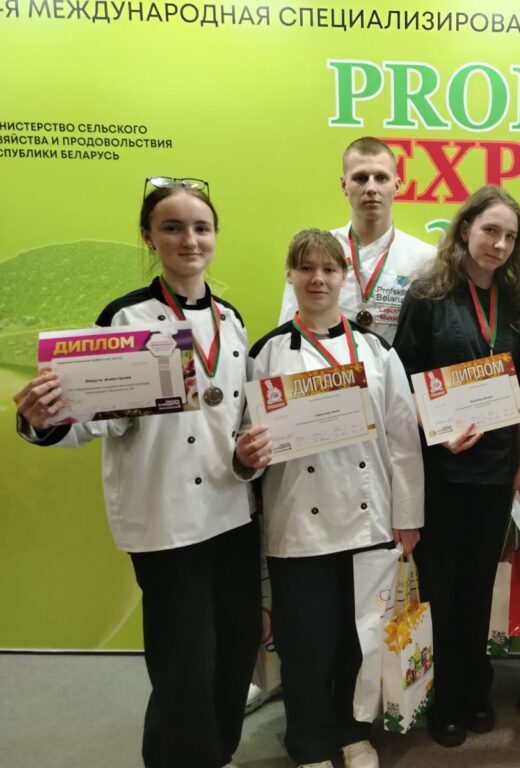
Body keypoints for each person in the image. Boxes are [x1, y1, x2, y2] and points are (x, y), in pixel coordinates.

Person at [13, 177, 260, 768]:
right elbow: (90, 420)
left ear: (215, 236)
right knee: (183, 664)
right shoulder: (124, 317)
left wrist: (248, 455)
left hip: (232, 513)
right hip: (165, 520)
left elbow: (234, 421)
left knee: (236, 648)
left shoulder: (232, 319)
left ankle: (217, 753)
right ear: (148, 236)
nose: (189, 239)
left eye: (200, 228)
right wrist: (43, 419)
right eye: (172, 227)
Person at [235, 229, 424, 768]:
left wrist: (408, 517)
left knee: (360, 638)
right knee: (305, 643)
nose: (317, 279)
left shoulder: (377, 350)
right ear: (290, 275)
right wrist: (249, 452)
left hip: (371, 520)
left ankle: (353, 732)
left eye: (329, 269)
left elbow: (403, 441)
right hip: (298, 522)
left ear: (344, 278)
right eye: (306, 268)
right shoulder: (267, 353)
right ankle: (309, 742)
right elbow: (248, 440)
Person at [392, 185, 520, 748]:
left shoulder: (516, 303)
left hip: (494, 474)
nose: (499, 244)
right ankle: (445, 700)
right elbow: (403, 383)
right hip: (441, 473)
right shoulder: (428, 296)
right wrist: (437, 434)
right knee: (442, 591)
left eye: (510, 236)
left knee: (478, 588)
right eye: (490, 231)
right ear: (465, 228)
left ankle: (476, 689)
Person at [277, 136, 435, 343]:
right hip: (325, 362)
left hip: (397, 364)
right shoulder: (315, 253)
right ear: (344, 185)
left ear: (397, 186)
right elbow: (288, 331)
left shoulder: (427, 259)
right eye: (360, 178)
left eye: (381, 178)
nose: (371, 188)